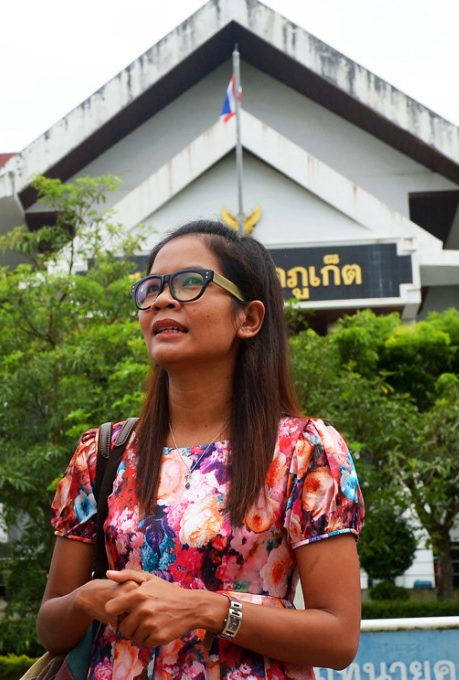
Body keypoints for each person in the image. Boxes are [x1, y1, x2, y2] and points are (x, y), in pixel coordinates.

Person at [37, 220, 364, 678]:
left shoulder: (306, 451)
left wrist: (207, 611)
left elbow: (338, 637)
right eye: (152, 288)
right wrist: (87, 600)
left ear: (248, 318)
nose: (163, 299)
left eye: (192, 283)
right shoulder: (102, 452)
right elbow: (51, 627)